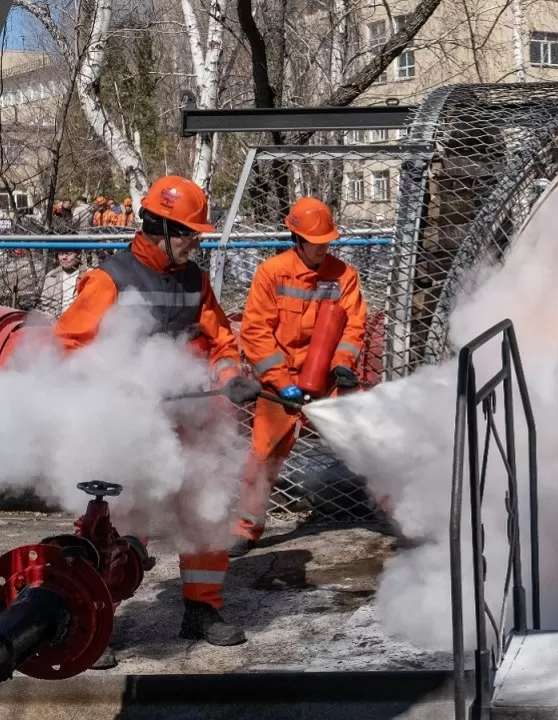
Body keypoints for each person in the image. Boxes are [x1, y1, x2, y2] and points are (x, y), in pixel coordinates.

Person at [53, 175, 261, 655]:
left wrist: (230, 375)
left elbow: (220, 341)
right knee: (116, 521)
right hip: (125, 423)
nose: (195, 241)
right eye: (189, 232)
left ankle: (202, 609)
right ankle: (94, 620)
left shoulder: (196, 281)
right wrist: (113, 384)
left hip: (188, 417)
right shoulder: (110, 279)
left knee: (207, 505)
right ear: (159, 227)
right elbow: (67, 347)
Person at [232, 197, 367, 556]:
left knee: (366, 442)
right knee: (263, 456)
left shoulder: (344, 276)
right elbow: (256, 331)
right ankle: (245, 528)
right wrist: (280, 380)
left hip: (328, 381)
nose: (323, 248)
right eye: (316, 242)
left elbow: (354, 325)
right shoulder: (272, 273)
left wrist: (343, 364)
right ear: (297, 238)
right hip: (282, 386)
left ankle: (406, 517)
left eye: (327, 241)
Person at [39, 248, 84, 317]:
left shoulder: (89, 275)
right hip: (56, 322)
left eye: (68, 254)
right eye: (61, 254)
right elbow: (45, 304)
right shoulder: (51, 276)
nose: (64, 258)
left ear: (79, 254)